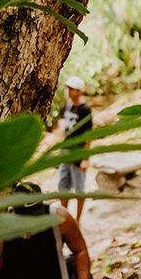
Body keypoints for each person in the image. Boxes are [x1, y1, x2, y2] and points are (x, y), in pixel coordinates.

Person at [57, 74, 93, 221]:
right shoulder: (68, 106)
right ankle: (64, 218)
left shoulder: (85, 110)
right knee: (63, 186)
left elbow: (89, 135)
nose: (69, 92)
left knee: (79, 189)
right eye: (69, 89)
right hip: (66, 151)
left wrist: (85, 158)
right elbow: (63, 126)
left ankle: (78, 220)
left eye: (72, 89)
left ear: (79, 91)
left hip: (78, 152)